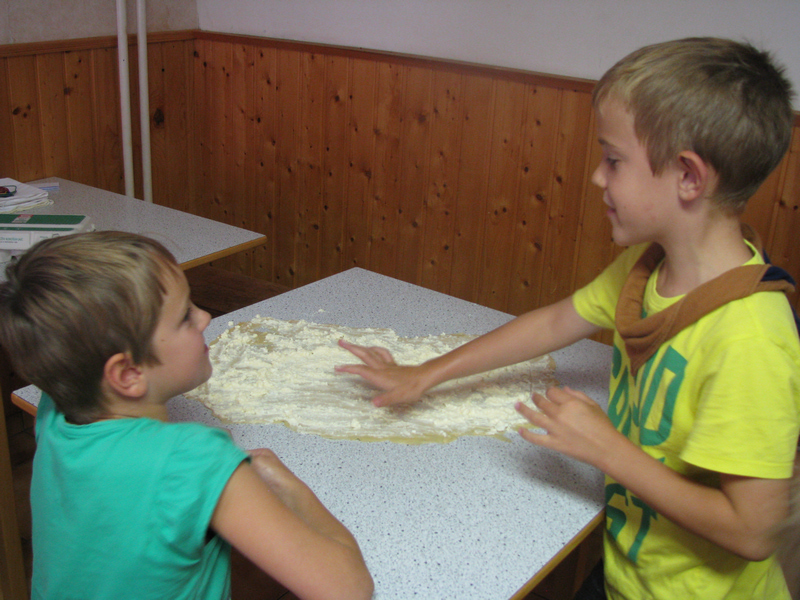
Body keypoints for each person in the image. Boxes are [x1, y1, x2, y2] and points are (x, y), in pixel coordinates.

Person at [336, 37, 799, 599]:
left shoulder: (750, 337)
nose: (598, 178)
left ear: (688, 176)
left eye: (614, 160)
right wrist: (425, 373)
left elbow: (754, 532)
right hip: (629, 573)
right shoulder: (648, 268)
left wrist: (609, 451)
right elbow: (555, 322)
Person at [0, 231, 373, 600]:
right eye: (184, 317)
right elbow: (347, 589)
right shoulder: (195, 459)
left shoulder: (55, 407)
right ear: (128, 374)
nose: (205, 317)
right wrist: (290, 488)